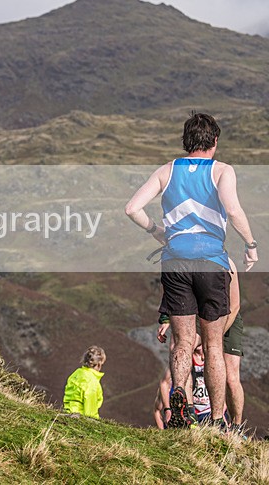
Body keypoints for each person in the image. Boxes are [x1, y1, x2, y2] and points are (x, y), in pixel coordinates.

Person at [126, 112, 258, 428]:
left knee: (183, 342)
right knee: (212, 345)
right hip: (210, 261)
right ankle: (215, 418)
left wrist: (156, 231)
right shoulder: (222, 171)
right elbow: (232, 209)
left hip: (174, 262)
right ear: (214, 141)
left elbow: (132, 208)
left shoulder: (166, 171)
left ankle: (179, 402)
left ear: (187, 142)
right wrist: (250, 244)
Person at [155, 256, 245, 431]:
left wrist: (212, 338)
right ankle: (188, 416)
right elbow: (174, 293)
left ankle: (236, 426)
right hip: (200, 314)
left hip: (229, 317)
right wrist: (166, 318)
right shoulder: (184, 257)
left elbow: (235, 305)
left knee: (231, 377)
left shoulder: (227, 262)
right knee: (182, 346)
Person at [63, 346, 106, 419]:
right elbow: (90, 408)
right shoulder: (92, 381)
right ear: (99, 363)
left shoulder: (76, 373)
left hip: (68, 413)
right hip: (79, 417)